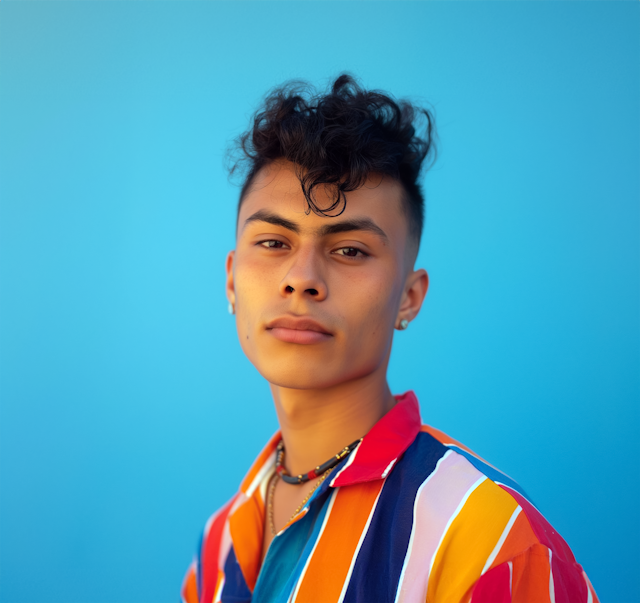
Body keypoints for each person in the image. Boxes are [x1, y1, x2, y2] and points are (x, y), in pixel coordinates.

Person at [181, 75, 598, 603]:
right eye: (273, 242)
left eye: (350, 250)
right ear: (231, 280)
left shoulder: (493, 542)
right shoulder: (217, 545)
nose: (301, 278)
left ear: (409, 296)